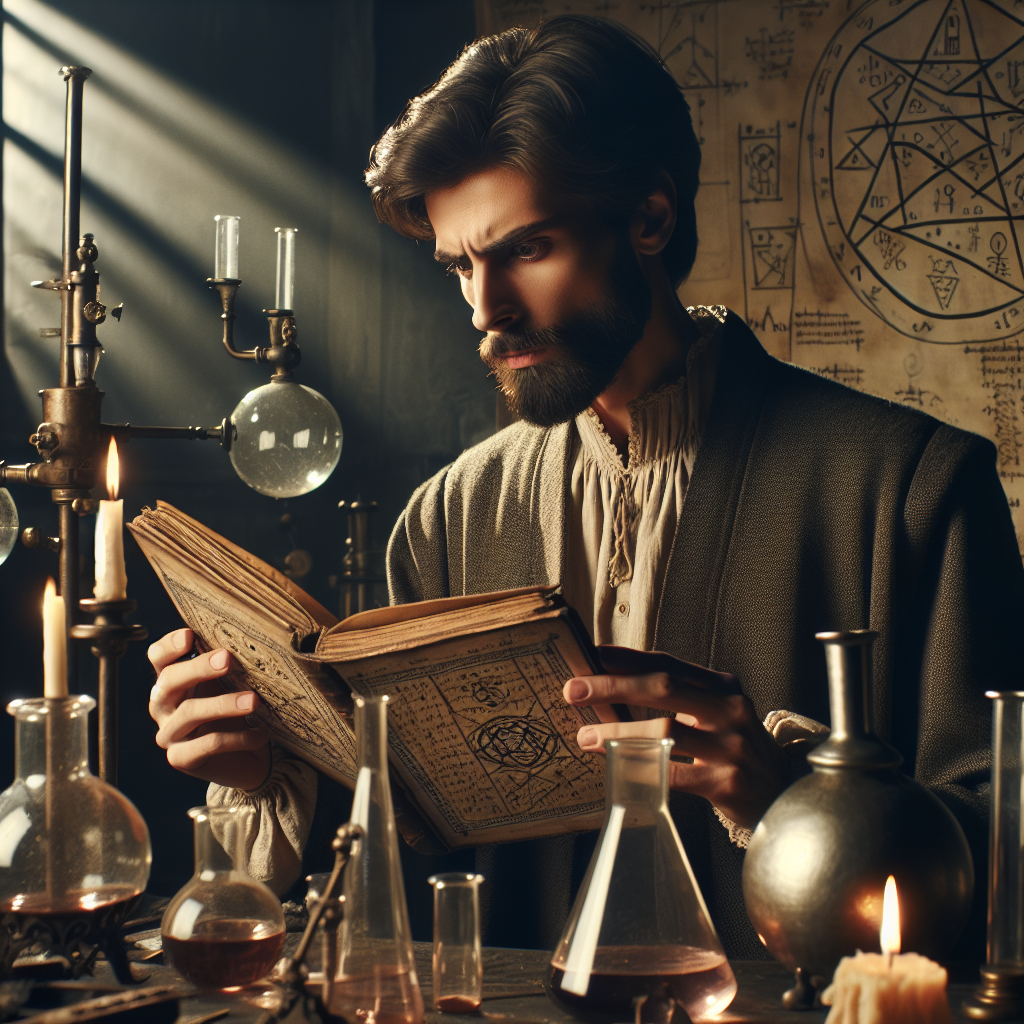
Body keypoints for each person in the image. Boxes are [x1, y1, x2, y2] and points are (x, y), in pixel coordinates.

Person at [147, 15, 1024, 957]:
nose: (486, 309)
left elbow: (1003, 860)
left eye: (526, 249)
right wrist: (265, 771)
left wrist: (783, 794)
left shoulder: (914, 490)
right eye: (460, 267)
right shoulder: (445, 521)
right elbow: (406, 866)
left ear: (649, 216)